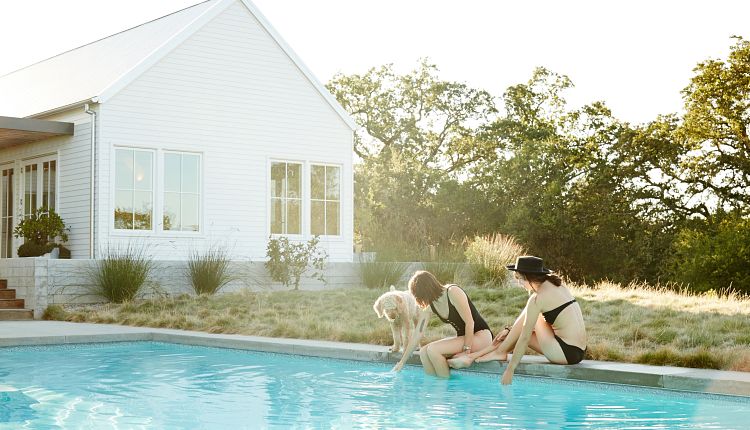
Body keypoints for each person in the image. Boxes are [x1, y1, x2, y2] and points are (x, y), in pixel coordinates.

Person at [448, 256, 587, 385]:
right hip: (578, 351)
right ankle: (479, 356)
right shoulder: (557, 286)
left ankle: (490, 354)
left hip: (564, 353)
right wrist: (509, 331)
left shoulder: (538, 298)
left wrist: (510, 370)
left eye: (519, 278)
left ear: (528, 277)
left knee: (530, 313)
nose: (519, 283)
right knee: (524, 321)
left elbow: (525, 337)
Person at [391, 270, 493, 378]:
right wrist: (402, 361)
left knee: (433, 350)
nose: (418, 300)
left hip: (481, 337)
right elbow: (418, 333)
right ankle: (433, 388)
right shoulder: (431, 305)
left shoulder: (453, 292)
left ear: (425, 291)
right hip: (464, 338)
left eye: (418, 295)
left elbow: (470, 322)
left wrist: (466, 352)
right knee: (424, 352)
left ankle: (445, 388)